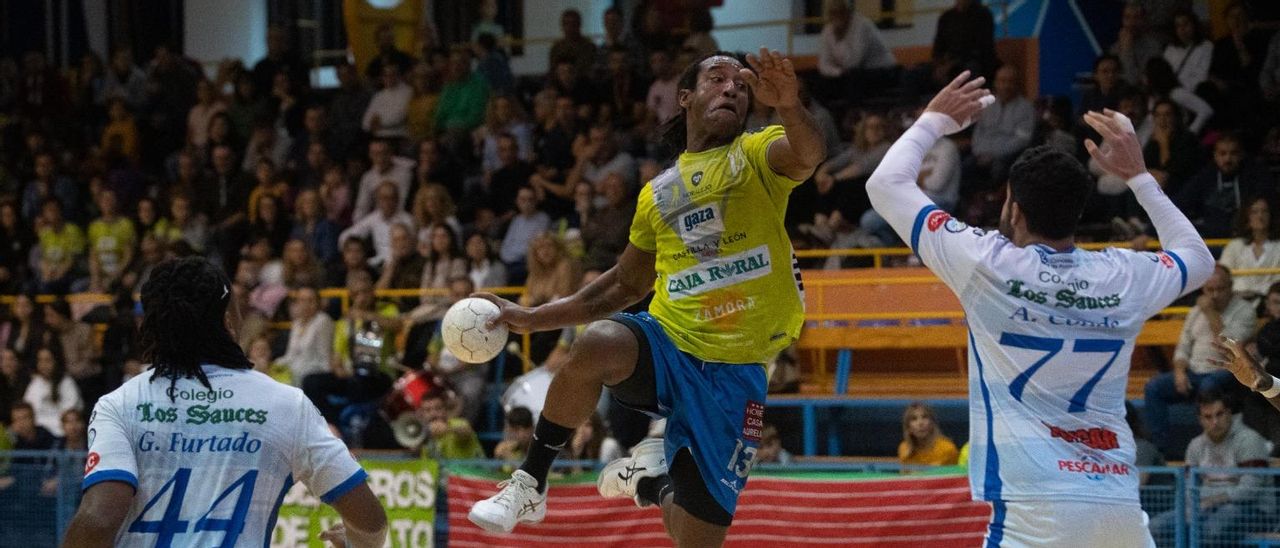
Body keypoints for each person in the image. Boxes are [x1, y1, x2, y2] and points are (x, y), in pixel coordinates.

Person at [468, 49, 825, 545]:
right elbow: (623, 285)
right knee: (598, 342)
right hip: (670, 345)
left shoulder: (757, 153)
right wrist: (533, 317)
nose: (732, 89)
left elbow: (807, 153)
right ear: (685, 97)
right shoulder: (658, 193)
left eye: (741, 87)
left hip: (737, 371)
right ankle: (530, 481)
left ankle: (651, 480)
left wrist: (788, 104)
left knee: (694, 539)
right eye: (717, 80)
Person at [865, 73, 1213, 546]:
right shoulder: (1123, 274)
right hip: (1118, 508)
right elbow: (1198, 258)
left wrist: (933, 121)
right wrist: (1139, 177)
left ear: (1013, 208)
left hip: (1034, 510)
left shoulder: (984, 262)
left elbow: (886, 183)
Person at [63, 257, 388, 547]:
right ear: (229, 322)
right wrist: (359, 543)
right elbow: (370, 521)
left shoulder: (120, 403)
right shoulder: (286, 404)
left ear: (151, 326)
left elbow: (99, 520)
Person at [1144, 265, 1257, 456]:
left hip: (1228, 373)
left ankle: (1205, 449)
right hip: (1193, 372)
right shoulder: (1195, 311)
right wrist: (1179, 372)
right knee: (1153, 387)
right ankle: (1161, 450)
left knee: (1209, 385)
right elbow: (1183, 347)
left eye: (1220, 289)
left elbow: (1228, 344)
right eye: (1209, 290)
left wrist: (1210, 313)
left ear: (1231, 287)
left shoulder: (1245, 311)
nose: (1214, 295)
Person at [1148, 391, 1270, 546]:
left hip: (1251, 509)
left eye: (1219, 414)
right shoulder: (1195, 445)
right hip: (1204, 507)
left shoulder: (1249, 440)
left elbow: (1250, 490)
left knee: (1213, 528)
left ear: (1229, 413)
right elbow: (1187, 487)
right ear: (1200, 419)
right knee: (1156, 526)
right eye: (1208, 417)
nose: (1215, 422)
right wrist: (1197, 505)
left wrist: (1213, 500)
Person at [1177, 134, 1274, 239]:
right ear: (1215, 155)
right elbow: (1181, 202)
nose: (1228, 159)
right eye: (1223, 154)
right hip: (1211, 240)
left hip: (1246, 240)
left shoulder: (1253, 176)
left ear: (1241, 155)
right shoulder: (1205, 177)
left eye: (1233, 153)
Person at [1217, 196, 1280, 297]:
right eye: (1254, 212)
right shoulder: (1234, 245)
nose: (1260, 216)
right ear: (1247, 217)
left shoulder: (1278, 246)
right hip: (1237, 299)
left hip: (1270, 304)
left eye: (1264, 211)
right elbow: (1223, 275)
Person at [275, 286, 335, 386]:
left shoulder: (323, 321)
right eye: (302, 300)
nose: (306, 305)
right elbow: (290, 355)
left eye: (310, 301)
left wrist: (296, 369)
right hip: (295, 368)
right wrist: (275, 365)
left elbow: (324, 358)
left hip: (315, 371)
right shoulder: (296, 323)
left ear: (318, 303)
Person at [898, 401, 959, 466]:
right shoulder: (904, 448)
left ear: (932, 423)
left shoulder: (947, 449)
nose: (920, 423)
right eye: (914, 419)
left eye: (925, 417)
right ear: (908, 427)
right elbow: (906, 475)